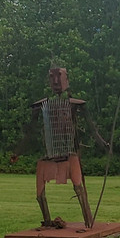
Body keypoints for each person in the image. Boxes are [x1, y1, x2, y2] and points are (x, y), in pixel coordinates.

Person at [11, 66, 108, 228]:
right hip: (50, 155)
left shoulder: (76, 105)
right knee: (40, 192)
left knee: (78, 186)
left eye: (59, 77)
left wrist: (103, 144)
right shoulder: (40, 106)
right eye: (52, 77)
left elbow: (92, 129)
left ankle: (88, 221)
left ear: (66, 80)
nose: (56, 81)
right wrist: (18, 152)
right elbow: (30, 132)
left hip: (69, 154)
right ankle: (47, 221)